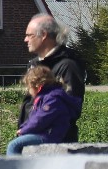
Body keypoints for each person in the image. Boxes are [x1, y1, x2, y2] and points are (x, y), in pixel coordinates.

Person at [20, 13, 86, 142]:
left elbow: (70, 108)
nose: (25, 40)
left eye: (29, 35)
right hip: (31, 140)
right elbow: (30, 103)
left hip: (55, 143)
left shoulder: (68, 66)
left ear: (44, 35)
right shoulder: (34, 65)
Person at [7, 65, 82, 155]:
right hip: (44, 133)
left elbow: (40, 119)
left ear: (37, 85)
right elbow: (33, 118)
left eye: (29, 87)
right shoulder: (45, 97)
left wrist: (24, 130)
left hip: (50, 135)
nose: (28, 91)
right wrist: (24, 128)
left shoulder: (52, 99)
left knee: (13, 145)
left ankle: (14, 164)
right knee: (19, 141)